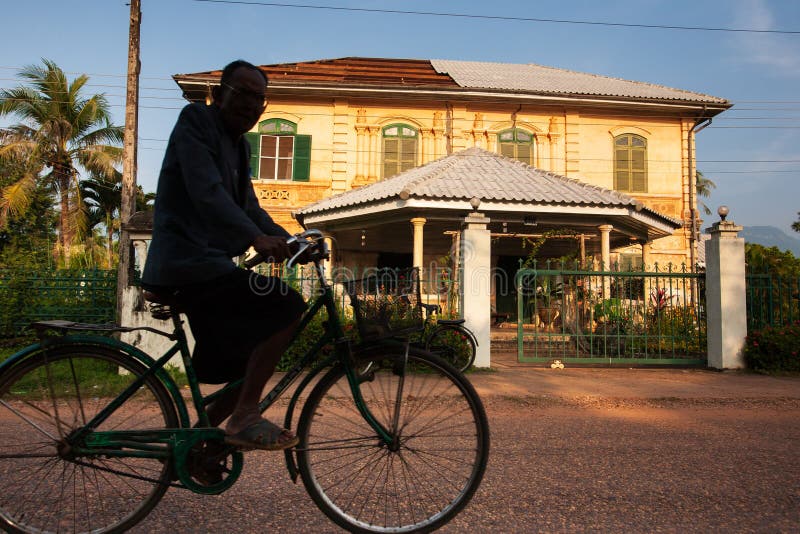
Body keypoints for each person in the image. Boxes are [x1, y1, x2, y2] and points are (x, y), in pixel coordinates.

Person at [141, 60, 305, 450]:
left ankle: (199, 440)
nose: (252, 105)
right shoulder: (196, 120)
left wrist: (292, 240)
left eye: (259, 99)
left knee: (253, 356)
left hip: (209, 267)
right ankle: (244, 415)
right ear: (220, 93)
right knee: (288, 305)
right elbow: (206, 191)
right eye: (244, 94)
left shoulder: (238, 147)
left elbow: (249, 205)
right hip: (185, 263)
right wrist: (254, 238)